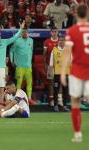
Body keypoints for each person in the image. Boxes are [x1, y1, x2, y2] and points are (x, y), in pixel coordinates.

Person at [61, 4, 89, 142]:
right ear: (87, 14)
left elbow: (67, 53)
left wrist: (62, 73)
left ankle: (77, 134)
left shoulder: (72, 31)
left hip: (77, 71)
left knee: (75, 102)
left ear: (76, 14)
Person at [10, 27, 35, 105]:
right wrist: (12, 60)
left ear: (28, 32)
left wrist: (30, 62)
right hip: (19, 66)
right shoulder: (17, 41)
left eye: (25, 32)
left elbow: (30, 51)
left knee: (29, 83)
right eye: (23, 32)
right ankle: (17, 99)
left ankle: (29, 98)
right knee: (19, 83)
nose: (24, 33)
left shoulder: (31, 40)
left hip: (28, 66)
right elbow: (11, 51)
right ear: (21, 33)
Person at [49, 35, 70, 112]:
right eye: (60, 40)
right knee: (56, 90)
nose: (61, 41)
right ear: (58, 41)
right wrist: (51, 73)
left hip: (66, 74)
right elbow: (51, 63)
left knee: (65, 91)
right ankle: (55, 105)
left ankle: (65, 105)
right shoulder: (54, 50)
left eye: (63, 40)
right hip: (57, 74)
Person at [43, 26, 59, 106]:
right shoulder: (47, 42)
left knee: (60, 82)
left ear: (57, 32)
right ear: (51, 32)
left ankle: (59, 99)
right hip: (50, 65)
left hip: (60, 66)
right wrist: (45, 64)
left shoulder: (61, 41)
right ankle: (51, 99)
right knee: (51, 83)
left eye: (55, 31)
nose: (54, 33)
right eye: (53, 31)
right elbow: (44, 55)